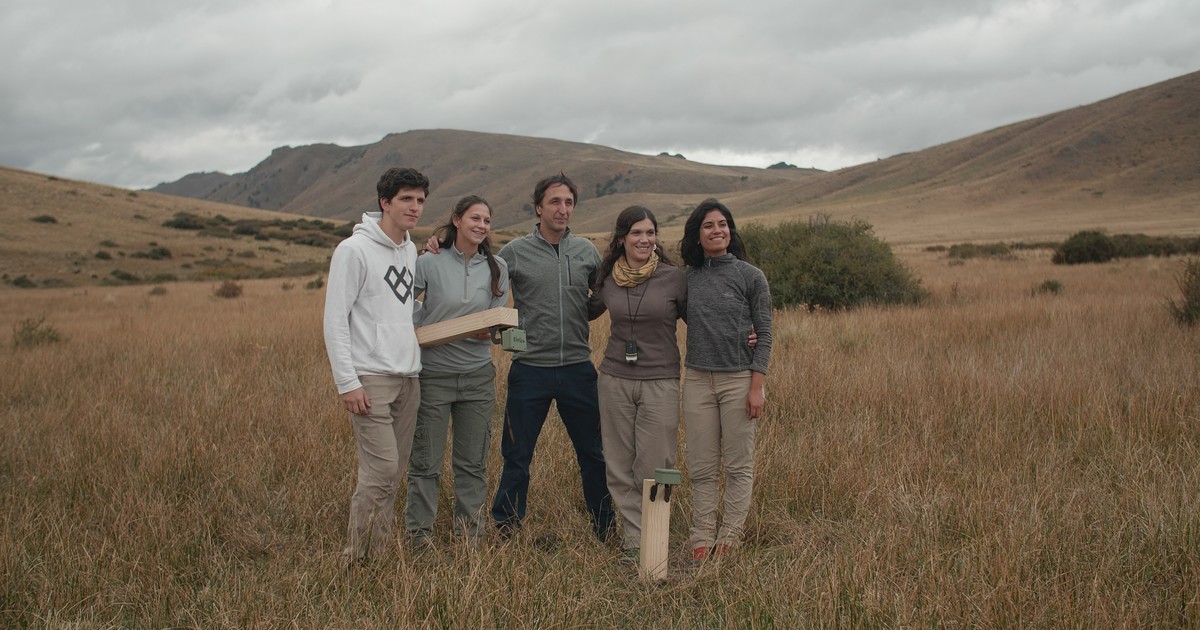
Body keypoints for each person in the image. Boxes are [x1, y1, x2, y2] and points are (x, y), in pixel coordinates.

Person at [430, 173, 616, 542]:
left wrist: (581, 313)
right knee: (517, 456)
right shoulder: (514, 252)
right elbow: (479, 276)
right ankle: (506, 529)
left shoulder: (586, 251)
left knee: (593, 454)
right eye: (554, 202)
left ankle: (605, 528)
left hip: (578, 368)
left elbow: (601, 297)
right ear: (538, 208)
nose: (562, 209)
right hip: (530, 370)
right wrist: (440, 244)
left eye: (568, 203)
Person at [323, 166, 428, 567]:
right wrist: (347, 382)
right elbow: (335, 319)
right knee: (381, 470)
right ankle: (355, 560)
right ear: (385, 202)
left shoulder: (410, 250)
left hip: (408, 378)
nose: (414, 207)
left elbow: (401, 309)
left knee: (393, 472)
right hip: (370, 379)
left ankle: (378, 556)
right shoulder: (353, 250)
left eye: (420, 200)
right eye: (406, 199)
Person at [404, 195, 509, 548]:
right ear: (457, 220)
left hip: (477, 376)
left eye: (487, 220)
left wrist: (490, 332)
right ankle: (419, 539)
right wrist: (418, 329)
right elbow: (402, 305)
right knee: (425, 463)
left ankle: (470, 540)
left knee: (472, 463)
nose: (481, 225)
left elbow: (497, 323)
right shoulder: (428, 262)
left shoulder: (498, 267)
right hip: (433, 375)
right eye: (475, 218)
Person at [588, 206, 687, 560]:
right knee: (618, 464)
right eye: (636, 233)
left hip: (660, 381)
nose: (644, 239)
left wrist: (746, 333)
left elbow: (701, 321)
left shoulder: (674, 279)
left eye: (650, 232)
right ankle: (635, 542)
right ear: (621, 239)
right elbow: (583, 311)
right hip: (614, 379)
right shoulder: (608, 278)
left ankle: (655, 541)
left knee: (657, 465)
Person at [678, 198, 773, 562]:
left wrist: (756, 387)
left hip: (739, 380)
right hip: (697, 380)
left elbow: (765, 334)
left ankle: (729, 537)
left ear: (730, 231)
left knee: (738, 465)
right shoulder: (688, 279)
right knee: (701, 465)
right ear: (697, 234)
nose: (716, 231)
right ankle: (701, 538)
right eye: (708, 226)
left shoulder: (751, 276)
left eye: (722, 224)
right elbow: (688, 315)